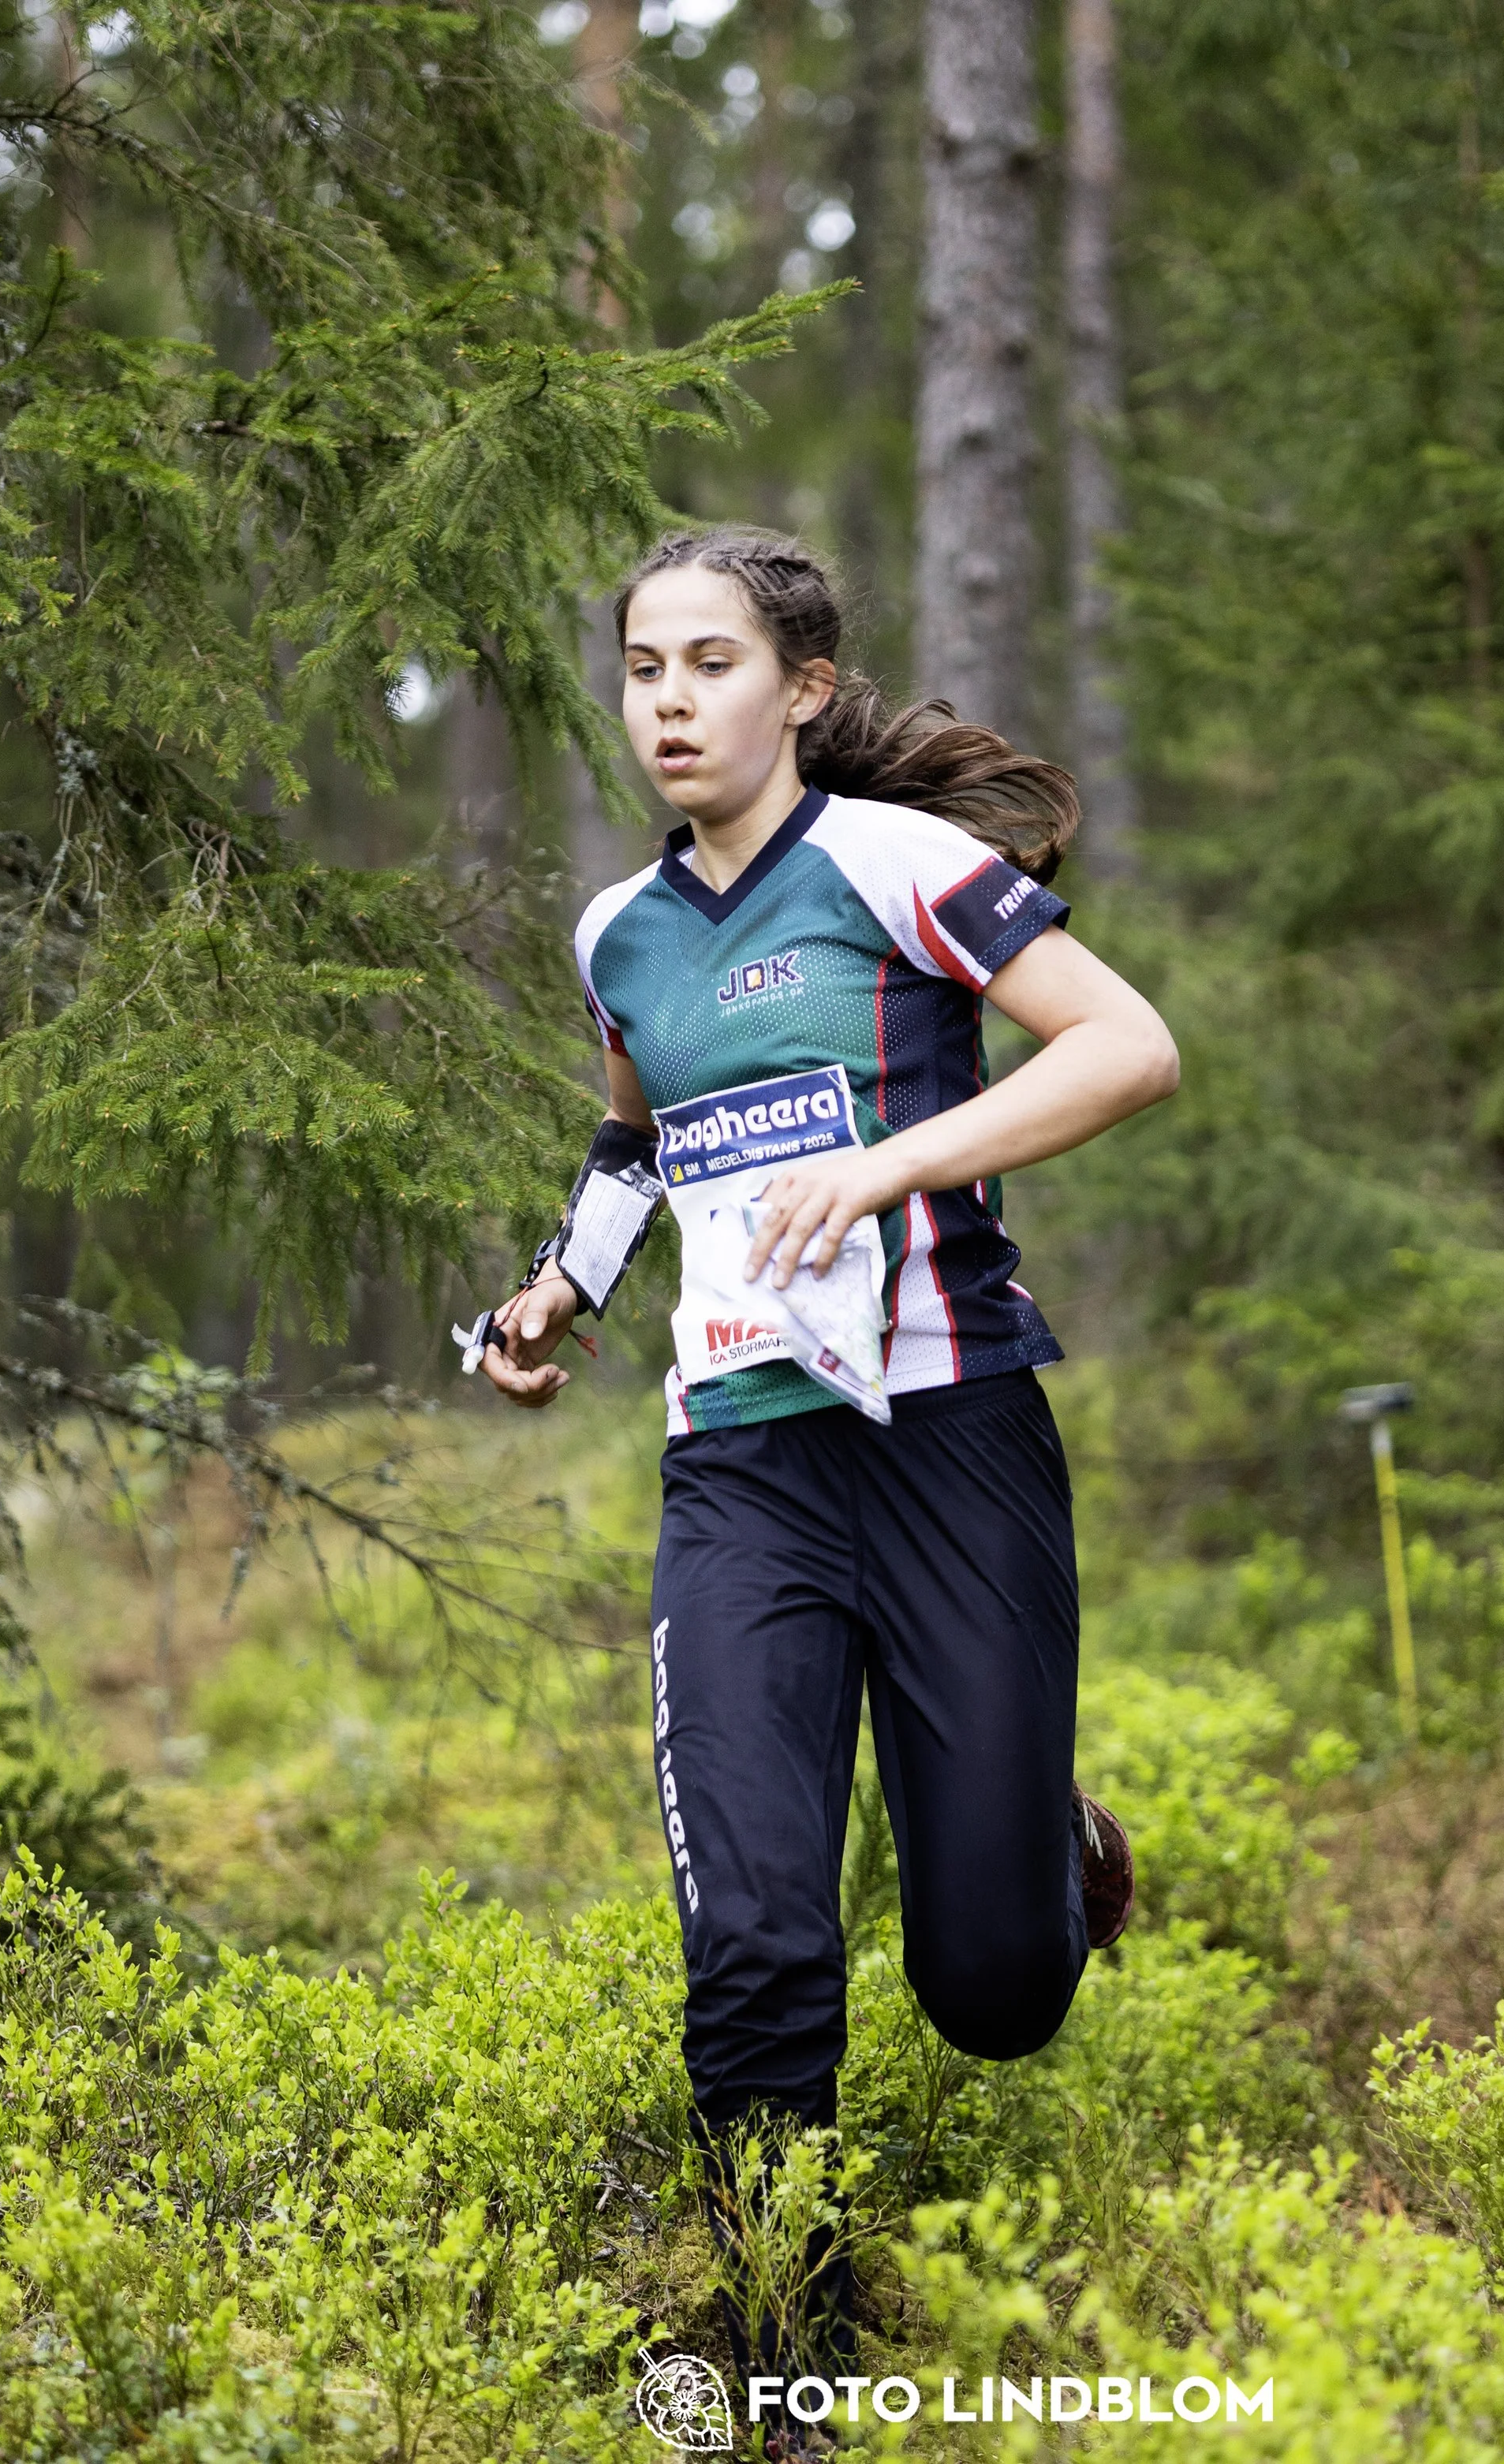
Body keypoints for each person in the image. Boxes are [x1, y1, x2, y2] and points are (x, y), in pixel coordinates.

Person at [479, 527, 1178, 2402]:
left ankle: (1045, 1844)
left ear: (797, 688)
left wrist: (892, 1160)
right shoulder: (617, 933)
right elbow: (641, 1148)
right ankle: (780, 2361)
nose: (670, 702)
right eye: (643, 669)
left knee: (990, 1992)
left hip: (950, 1444)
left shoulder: (896, 863)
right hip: (742, 1471)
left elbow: (1127, 1046)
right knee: (761, 1930)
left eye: (710, 664)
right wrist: (557, 1290)